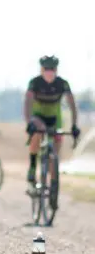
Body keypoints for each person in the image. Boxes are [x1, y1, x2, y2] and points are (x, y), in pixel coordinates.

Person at [24, 55, 80, 183]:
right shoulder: (35, 83)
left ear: (56, 70)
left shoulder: (63, 83)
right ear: (41, 69)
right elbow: (27, 104)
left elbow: (73, 106)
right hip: (38, 115)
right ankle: (32, 166)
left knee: (57, 144)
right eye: (46, 68)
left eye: (52, 69)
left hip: (54, 117)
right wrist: (29, 122)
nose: (49, 72)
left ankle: (53, 182)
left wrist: (74, 125)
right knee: (38, 132)